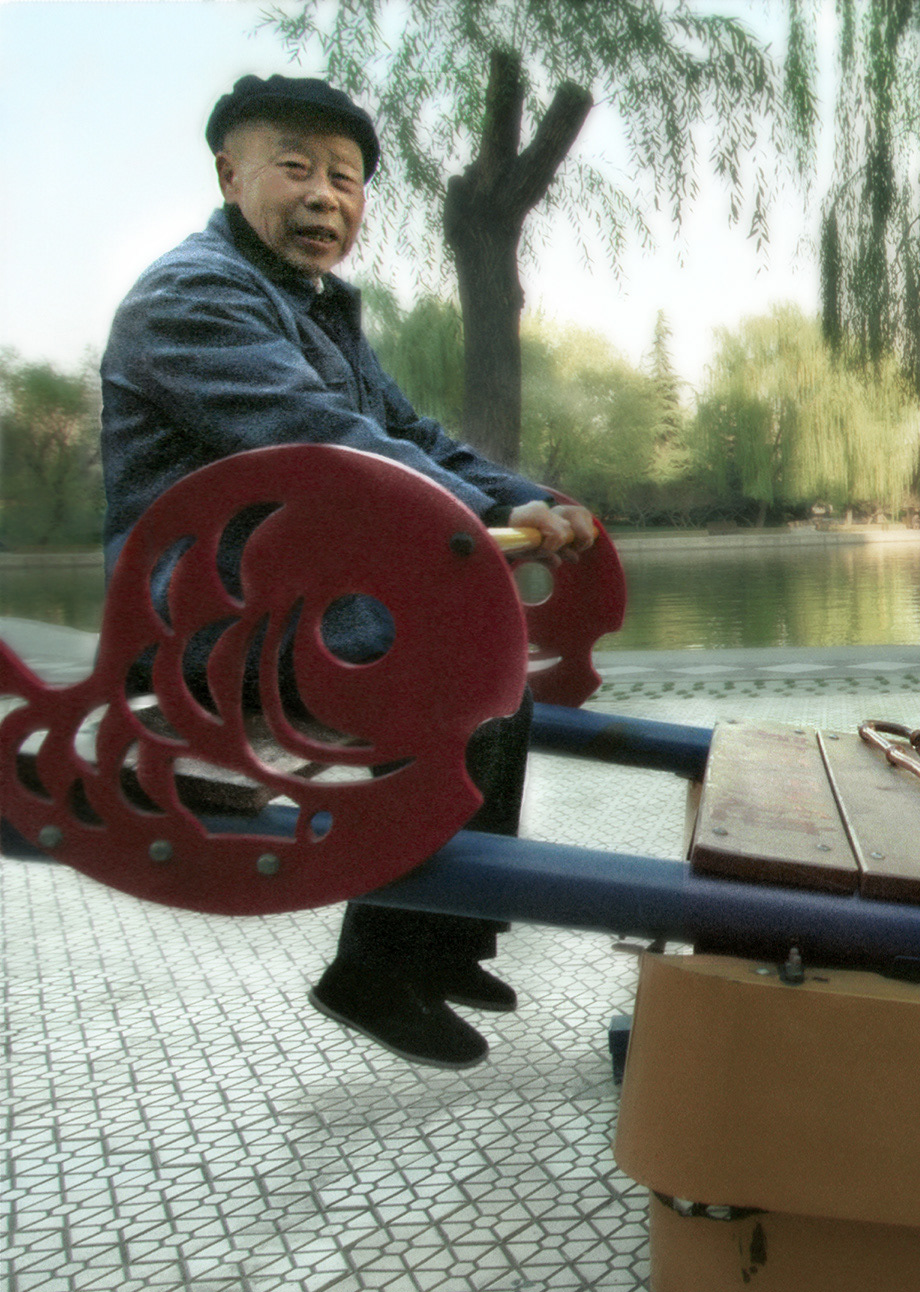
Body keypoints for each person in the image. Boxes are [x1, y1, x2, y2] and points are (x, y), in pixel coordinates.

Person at [98, 75, 598, 1070]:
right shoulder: (192, 296)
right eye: (296, 167)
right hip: (205, 623)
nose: (327, 196)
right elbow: (325, 444)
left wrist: (519, 498)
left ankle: (445, 936)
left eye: (348, 178)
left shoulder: (317, 309)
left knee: (493, 647)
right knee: (460, 646)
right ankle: (377, 962)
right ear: (230, 173)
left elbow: (404, 435)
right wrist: (475, 523)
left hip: (281, 601)